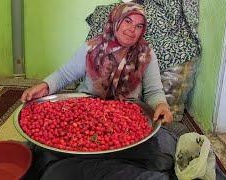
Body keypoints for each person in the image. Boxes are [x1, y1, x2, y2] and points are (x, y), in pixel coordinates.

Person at [21, 2, 176, 179]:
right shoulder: (92, 47)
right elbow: (64, 75)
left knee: (165, 148)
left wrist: (161, 104)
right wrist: (45, 86)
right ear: (115, 21)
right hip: (83, 112)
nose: (132, 29)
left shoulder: (146, 53)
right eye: (127, 21)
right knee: (45, 145)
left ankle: (88, 165)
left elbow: (154, 91)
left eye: (139, 26)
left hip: (125, 118)